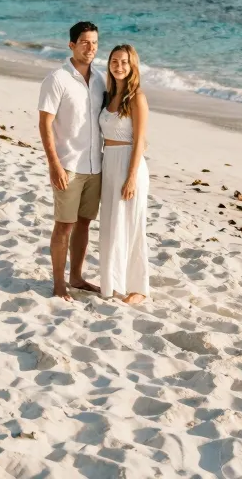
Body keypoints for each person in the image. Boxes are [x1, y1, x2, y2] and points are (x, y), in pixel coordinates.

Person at [38, 21, 104, 301]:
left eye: (95, 43)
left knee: (84, 223)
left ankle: (76, 277)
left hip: (95, 166)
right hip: (68, 165)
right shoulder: (57, 79)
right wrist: (54, 165)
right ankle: (58, 284)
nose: (90, 48)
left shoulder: (101, 79)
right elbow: (44, 124)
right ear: (72, 45)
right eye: (85, 42)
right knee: (64, 225)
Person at [98, 44, 150, 303]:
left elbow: (140, 140)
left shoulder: (137, 97)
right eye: (115, 61)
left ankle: (138, 288)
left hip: (130, 164)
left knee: (131, 225)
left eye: (124, 62)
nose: (119, 66)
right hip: (109, 164)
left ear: (132, 67)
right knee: (111, 225)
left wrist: (131, 177)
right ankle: (113, 283)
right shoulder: (107, 96)